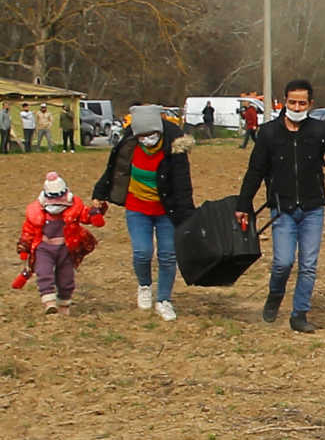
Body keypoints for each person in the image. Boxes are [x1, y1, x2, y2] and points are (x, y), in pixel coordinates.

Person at [238, 79, 325, 332]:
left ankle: (299, 314)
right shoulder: (269, 133)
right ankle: (274, 296)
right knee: (282, 262)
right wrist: (243, 204)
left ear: (310, 104)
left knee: (308, 265)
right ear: (285, 102)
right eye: (292, 102)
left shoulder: (319, 131)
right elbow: (255, 171)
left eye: (302, 103)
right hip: (282, 209)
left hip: (313, 209)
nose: (296, 106)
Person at [92, 106, 197, 321]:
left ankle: (164, 299)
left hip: (166, 210)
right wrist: (99, 193)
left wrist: (187, 218)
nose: (148, 139)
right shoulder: (129, 147)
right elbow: (113, 170)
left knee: (168, 256)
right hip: (137, 208)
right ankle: (144, 286)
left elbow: (183, 185)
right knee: (142, 252)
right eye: (143, 135)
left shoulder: (174, 150)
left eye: (152, 135)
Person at [15, 172, 104, 314]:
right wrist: (24, 247)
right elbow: (28, 230)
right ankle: (49, 302)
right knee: (43, 272)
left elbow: (87, 216)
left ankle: (64, 303)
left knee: (66, 278)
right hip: (44, 248)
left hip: (67, 248)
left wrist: (96, 212)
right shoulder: (36, 211)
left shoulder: (75, 207)